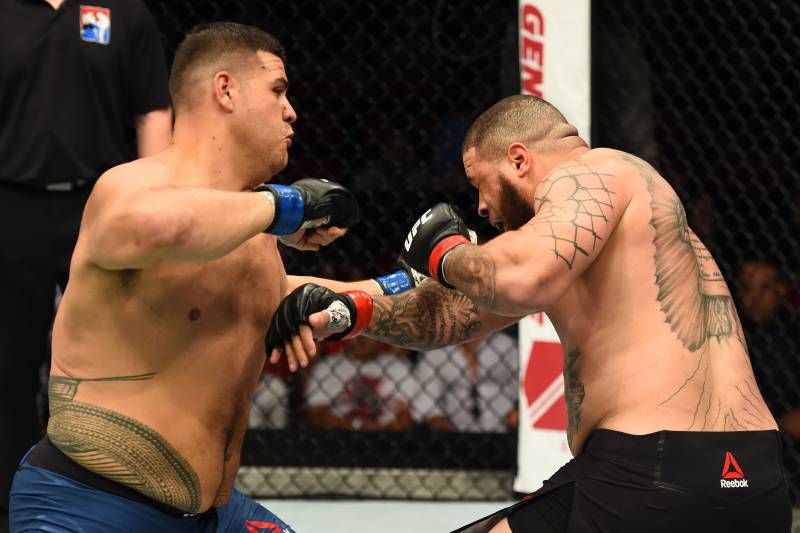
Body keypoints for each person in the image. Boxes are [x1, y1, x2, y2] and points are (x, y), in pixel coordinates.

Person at [267, 94, 793, 532]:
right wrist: (333, 303)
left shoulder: (597, 172)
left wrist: (443, 250)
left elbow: (517, 277)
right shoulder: (582, 241)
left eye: (480, 184)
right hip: (752, 473)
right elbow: (443, 317)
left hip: (651, 472)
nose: (480, 208)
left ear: (519, 159)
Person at [7, 21, 400, 532]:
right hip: (89, 505)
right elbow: (157, 228)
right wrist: (288, 205)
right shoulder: (131, 186)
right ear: (226, 89)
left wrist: (427, 272)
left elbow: (316, 297)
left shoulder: (256, 238)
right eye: (278, 90)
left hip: (212, 514)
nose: (291, 111)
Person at [0, 1, 173, 529]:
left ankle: (111, 501)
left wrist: (153, 202)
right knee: (8, 364)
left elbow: (152, 110)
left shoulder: (125, 11)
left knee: (111, 362)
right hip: (10, 202)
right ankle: (11, 508)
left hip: (103, 207)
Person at [305, 336, 417, 431]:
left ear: (381, 337)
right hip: (338, 439)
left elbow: (407, 418)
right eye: (355, 332)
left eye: (367, 333)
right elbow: (317, 414)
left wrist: (377, 429)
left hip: (389, 440)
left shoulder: (399, 366)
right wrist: (354, 425)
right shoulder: (326, 367)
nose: (360, 338)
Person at [413, 331, 518, 433]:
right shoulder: (437, 350)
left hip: (505, 431)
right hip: (456, 434)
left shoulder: (506, 344)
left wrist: (518, 414)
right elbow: (426, 399)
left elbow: (524, 387)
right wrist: (442, 427)